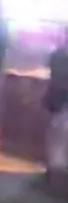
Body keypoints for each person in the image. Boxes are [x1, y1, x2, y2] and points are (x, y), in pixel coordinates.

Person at [43, 29, 68, 174]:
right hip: (60, 100)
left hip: (58, 100)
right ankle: (57, 168)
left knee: (57, 133)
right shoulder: (59, 55)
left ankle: (56, 168)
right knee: (58, 133)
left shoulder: (57, 54)